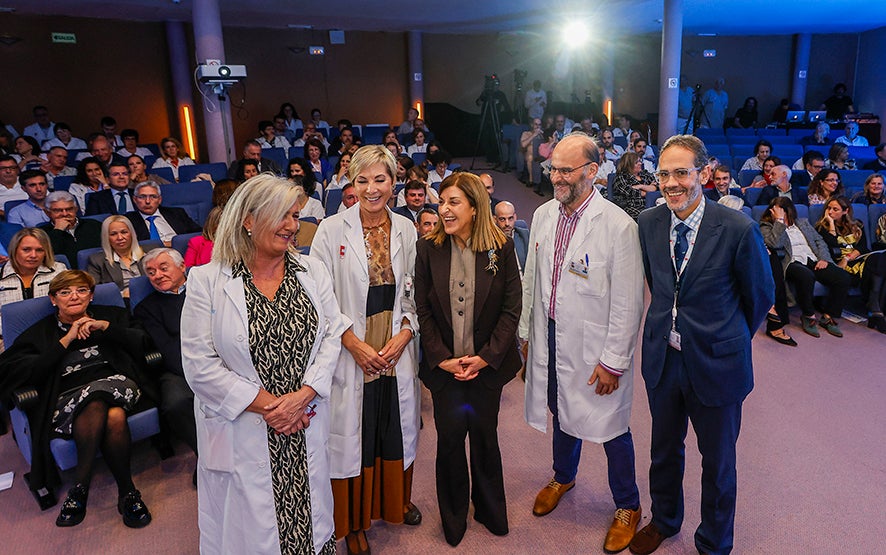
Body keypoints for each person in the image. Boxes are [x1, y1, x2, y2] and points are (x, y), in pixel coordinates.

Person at [180, 174, 346, 554]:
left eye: (295, 215)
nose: (292, 226)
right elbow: (199, 364)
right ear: (248, 220)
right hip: (247, 424)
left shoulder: (312, 271)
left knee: (309, 521)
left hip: (304, 419)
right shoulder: (206, 280)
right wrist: (275, 407)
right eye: (281, 215)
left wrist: (302, 398)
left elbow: (331, 336)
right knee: (252, 534)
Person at [631, 135, 773, 555]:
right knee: (663, 451)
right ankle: (665, 520)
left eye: (681, 172)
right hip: (664, 359)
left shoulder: (737, 229)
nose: (671, 183)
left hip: (718, 364)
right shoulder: (649, 222)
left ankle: (713, 543)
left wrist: (723, 338)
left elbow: (760, 297)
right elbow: (659, 286)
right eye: (664, 174)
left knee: (718, 464)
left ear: (705, 174)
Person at [519, 133, 645, 554]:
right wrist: (526, 333)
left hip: (596, 345)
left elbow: (629, 303)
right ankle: (564, 474)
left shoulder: (618, 226)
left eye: (565, 170)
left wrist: (613, 362)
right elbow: (531, 283)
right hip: (552, 334)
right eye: (553, 168)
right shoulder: (542, 216)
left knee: (611, 426)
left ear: (592, 172)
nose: (556, 177)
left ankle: (628, 504)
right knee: (561, 408)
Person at [311, 146, 422, 555]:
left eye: (380, 179)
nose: (372, 189)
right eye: (362, 180)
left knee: (392, 425)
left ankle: (395, 502)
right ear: (351, 184)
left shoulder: (407, 229)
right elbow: (320, 300)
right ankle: (354, 523)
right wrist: (352, 343)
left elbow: (416, 295)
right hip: (350, 344)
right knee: (355, 434)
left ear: (394, 182)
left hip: (394, 343)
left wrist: (406, 334)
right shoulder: (329, 230)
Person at [414, 172, 521, 546]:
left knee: (485, 438)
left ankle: (490, 508)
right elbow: (422, 310)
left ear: (475, 208)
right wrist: (441, 358)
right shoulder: (428, 248)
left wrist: (485, 358)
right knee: (449, 442)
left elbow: (511, 310)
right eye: (442, 202)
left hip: (485, 367)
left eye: (453, 202)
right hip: (444, 369)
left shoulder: (501, 248)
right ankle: (454, 515)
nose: (444, 209)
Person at [0, 270, 155, 528]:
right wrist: (65, 340)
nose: (74, 296)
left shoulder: (111, 316)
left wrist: (107, 328)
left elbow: (144, 342)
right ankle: (128, 492)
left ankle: (80, 487)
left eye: (82, 290)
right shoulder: (40, 332)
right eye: (65, 292)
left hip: (118, 383)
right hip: (67, 399)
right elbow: (16, 370)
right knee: (112, 414)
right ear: (53, 299)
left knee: (97, 396)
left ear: (91, 296)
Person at [133, 248, 198, 463]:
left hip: (222, 358)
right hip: (179, 368)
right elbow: (166, 348)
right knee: (175, 402)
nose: (157, 275)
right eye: (151, 273)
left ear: (182, 266)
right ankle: (206, 457)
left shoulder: (205, 290)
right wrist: (197, 374)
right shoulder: (146, 308)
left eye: (163, 268)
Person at [759, 197, 851, 339]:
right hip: (791, 262)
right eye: (774, 210)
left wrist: (824, 259)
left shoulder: (803, 223)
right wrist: (779, 222)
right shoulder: (767, 226)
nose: (775, 213)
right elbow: (774, 243)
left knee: (843, 277)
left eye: (779, 211)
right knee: (806, 276)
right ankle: (808, 315)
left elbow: (819, 241)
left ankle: (828, 316)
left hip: (813, 259)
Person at [814, 196, 886, 333]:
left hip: (856, 259)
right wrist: (831, 225)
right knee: (878, 263)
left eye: (835, 209)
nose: (830, 212)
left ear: (845, 211)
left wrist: (848, 257)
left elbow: (863, 247)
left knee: (881, 258)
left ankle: (876, 308)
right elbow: (831, 248)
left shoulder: (857, 225)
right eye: (828, 208)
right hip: (838, 264)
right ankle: (875, 309)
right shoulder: (821, 227)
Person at [0, 228, 66, 335]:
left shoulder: (58, 271)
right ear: (14, 250)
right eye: (26, 250)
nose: (33, 255)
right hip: (10, 335)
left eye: (39, 250)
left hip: (53, 333)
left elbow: (68, 305)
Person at [86, 215, 145, 299]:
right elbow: (94, 292)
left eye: (124, 232)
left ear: (131, 233)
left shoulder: (150, 251)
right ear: (107, 237)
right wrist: (122, 295)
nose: (120, 238)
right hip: (122, 303)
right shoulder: (97, 261)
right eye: (113, 234)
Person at [39, 191, 102, 269]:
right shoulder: (41, 233)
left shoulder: (94, 225)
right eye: (57, 210)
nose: (65, 214)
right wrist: (58, 231)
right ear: (47, 213)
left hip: (97, 271)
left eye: (69, 209)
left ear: (76, 209)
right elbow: (47, 257)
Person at [124, 182, 201, 245]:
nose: (147, 201)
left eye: (153, 197)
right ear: (135, 199)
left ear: (160, 200)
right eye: (142, 197)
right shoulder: (127, 220)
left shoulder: (177, 213)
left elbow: (198, 233)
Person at [610, 151, 658, 221]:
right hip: (632, 207)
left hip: (651, 205)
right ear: (628, 165)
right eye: (637, 162)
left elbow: (655, 188)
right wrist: (648, 189)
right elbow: (632, 193)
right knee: (647, 218)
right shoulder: (621, 178)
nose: (640, 164)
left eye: (640, 161)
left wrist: (640, 186)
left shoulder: (645, 174)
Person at [494, 200, 530, 272]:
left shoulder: (524, 235)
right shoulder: (491, 240)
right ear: (495, 219)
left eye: (510, 218)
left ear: (515, 217)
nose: (507, 223)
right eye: (502, 219)